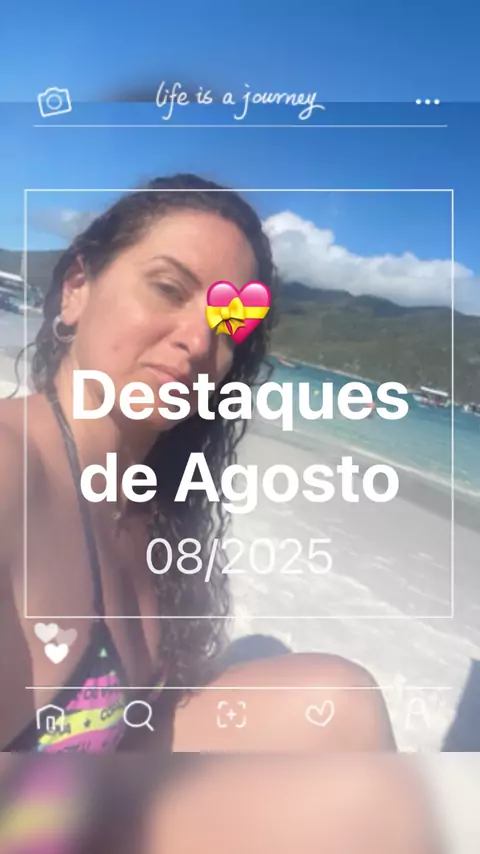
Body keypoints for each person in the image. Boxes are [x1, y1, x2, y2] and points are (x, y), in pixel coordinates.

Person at [0, 173, 395, 754]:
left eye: (227, 323)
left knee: (341, 702)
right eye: (168, 288)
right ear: (77, 288)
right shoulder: (11, 469)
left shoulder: (155, 504)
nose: (199, 340)